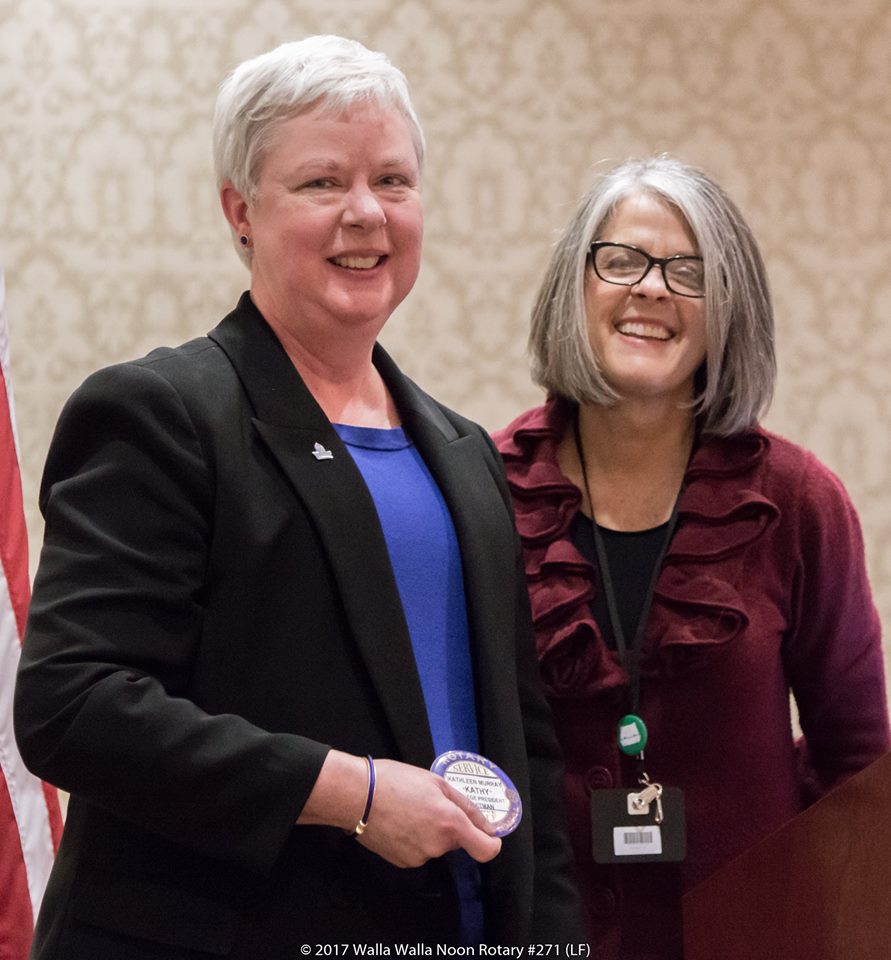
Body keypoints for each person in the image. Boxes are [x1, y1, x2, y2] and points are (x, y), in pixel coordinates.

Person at [14, 35, 584, 957]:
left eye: (392, 181)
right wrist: (354, 794)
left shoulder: (466, 452)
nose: (365, 212)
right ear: (240, 211)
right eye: (322, 182)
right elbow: (73, 707)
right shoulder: (159, 414)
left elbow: (527, 752)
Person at [494, 154, 890, 958]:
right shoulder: (485, 490)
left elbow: (857, 763)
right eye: (622, 261)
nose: (651, 288)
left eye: (689, 271)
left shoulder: (796, 501)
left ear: (728, 309)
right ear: (575, 286)